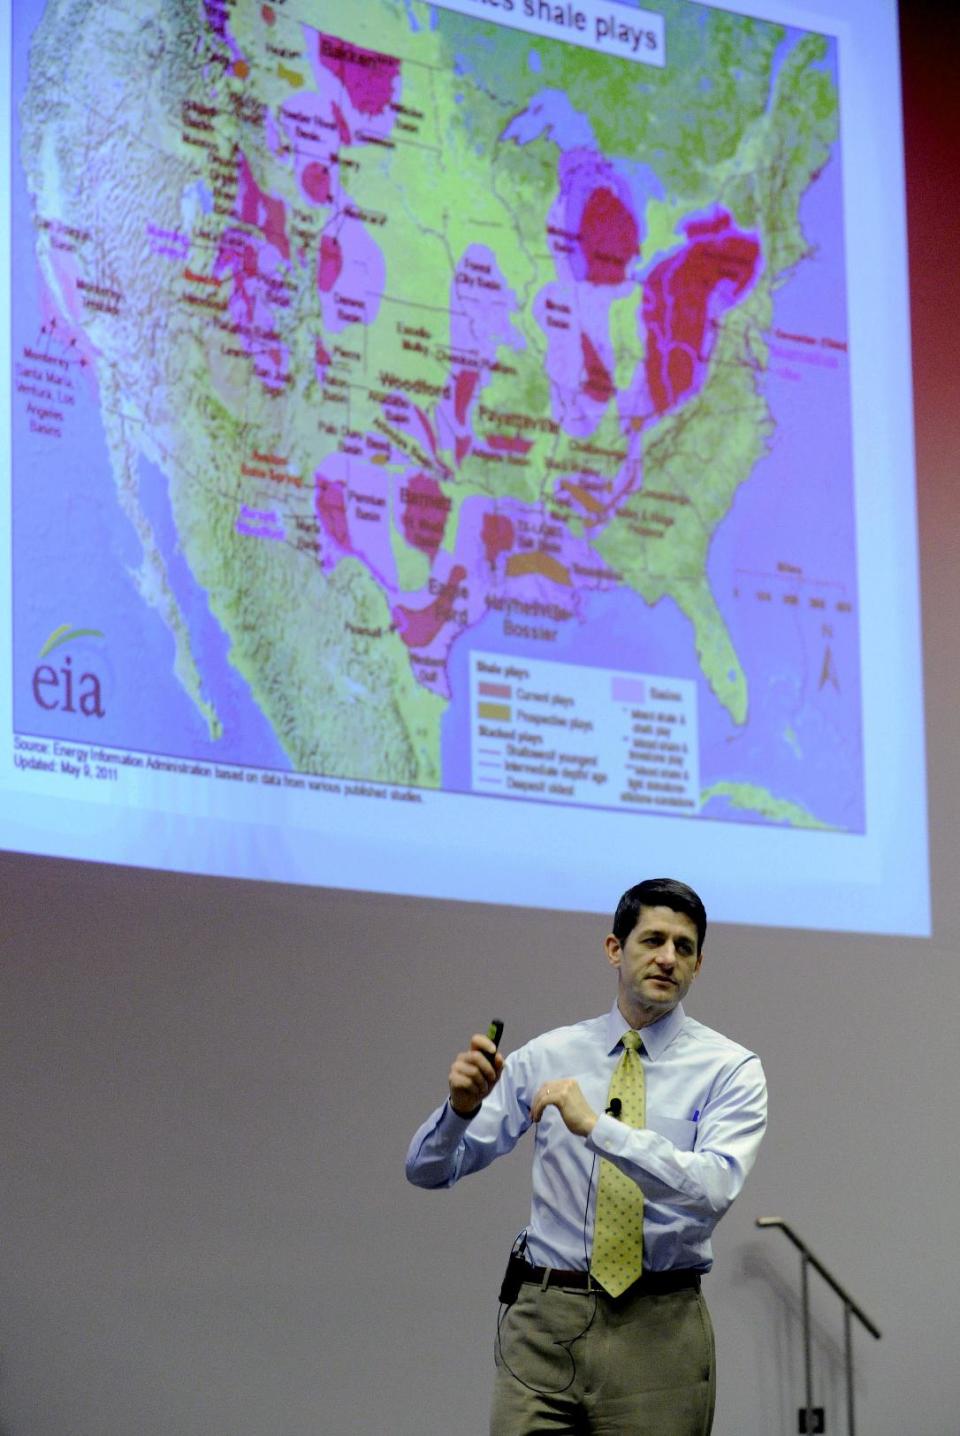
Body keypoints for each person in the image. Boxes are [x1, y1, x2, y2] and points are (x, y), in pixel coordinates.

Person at [405, 878, 767, 1435]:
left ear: (699, 965)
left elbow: (713, 1188)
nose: (668, 958)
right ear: (614, 950)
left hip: (660, 1329)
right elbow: (428, 1171)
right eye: (652, 940)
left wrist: (599, 1128)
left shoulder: (731, 1069)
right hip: (545, 1321)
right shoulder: (549, 1055)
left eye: (684, 947)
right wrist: (457, 1109)